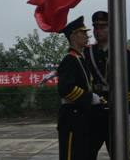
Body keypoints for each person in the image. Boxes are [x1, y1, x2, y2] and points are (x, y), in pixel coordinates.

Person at [84, 10, 130, 160]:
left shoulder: (122, 52)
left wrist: (129, 111)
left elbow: (129, 83)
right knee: (86, 152)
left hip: (116, 110)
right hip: (94, 110)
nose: (97, 31)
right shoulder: (88, 52)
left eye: (102, 27)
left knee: (121, 152)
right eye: (95, 27)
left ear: (111, 28)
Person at [57, 16, 102, 160]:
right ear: (73, 37)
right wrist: (89, 97)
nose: (86, 36)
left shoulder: (80, 59)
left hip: (81, 118)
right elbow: (65, 89)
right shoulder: (69, 60)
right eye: (82, 33)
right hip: (71, 118)